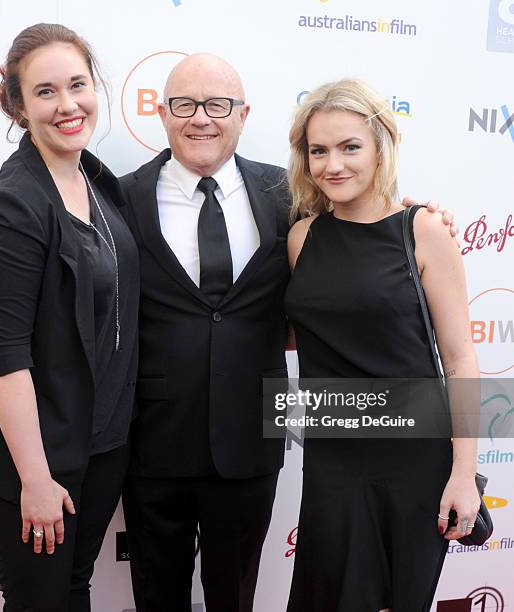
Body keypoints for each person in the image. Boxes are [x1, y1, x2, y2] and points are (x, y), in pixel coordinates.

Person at [118, 55, 458, 612]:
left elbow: (364, 236)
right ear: (162, 113)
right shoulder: (121, 196)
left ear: (243, 115)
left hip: (257, 437)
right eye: (184, 104)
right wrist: (4, 197)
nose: (201, 118)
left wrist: (424, 218)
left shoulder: (287, 199)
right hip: (153, 439)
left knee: (243, 597)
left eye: (218, 105)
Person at [0, 23, 139, 612]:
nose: (67, 105)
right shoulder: (14, 203)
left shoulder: (94, 176)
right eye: (46, 92)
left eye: (77, 85)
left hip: (98, 443)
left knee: (73, 590)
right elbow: (5, 358)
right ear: (18, 103)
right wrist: (34, 478)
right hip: (29, 458)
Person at [284, 79, 479, 611]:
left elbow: (461, 357)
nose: (333, 164)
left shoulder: (423, 229)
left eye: (350, 147)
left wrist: (464, 475)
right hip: (332, 455)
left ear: (379, 147)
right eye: (318, 150)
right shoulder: (302, 238)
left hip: (412, 458)